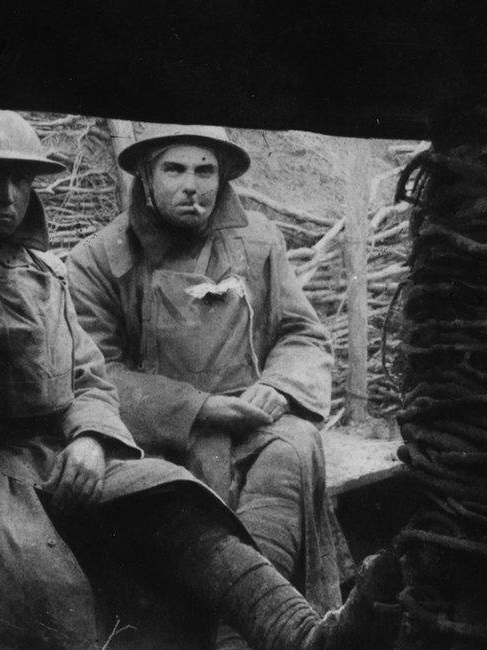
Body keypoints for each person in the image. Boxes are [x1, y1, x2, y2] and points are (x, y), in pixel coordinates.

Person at [0, 107, 400, 650]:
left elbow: (86, 375)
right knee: (46, 585)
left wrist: (91, 437)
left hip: (55, 454)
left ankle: (296, 634)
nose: (9, 195)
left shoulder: (41, 270)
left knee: (173, 495)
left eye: (21, 178)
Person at [66, 122, 343, 643]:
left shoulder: (258, 241)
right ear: (146, 178)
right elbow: (94, 372)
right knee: (183, 498)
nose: (192, 185)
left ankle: (242, 634)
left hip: (253, 421)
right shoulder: (100, 260)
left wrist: (280, 386)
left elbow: (303, 332)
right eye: (174, 169)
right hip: (157, 436)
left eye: (205, 170)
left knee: (293, 449)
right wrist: (198, 409)